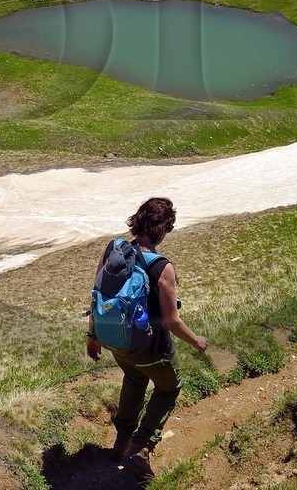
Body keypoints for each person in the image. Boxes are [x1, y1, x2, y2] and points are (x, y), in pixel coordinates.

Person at [86, 196, 209, 460]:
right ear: (162, 227)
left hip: (118, 343)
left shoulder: (113, 250)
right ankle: (142, 446)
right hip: (151, 348)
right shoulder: (162, 266)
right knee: (169, 386)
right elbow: (171, 321)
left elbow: (96, 296)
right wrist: (196, 340)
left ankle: (122, 441)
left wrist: (92, 336)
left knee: (134, 379)